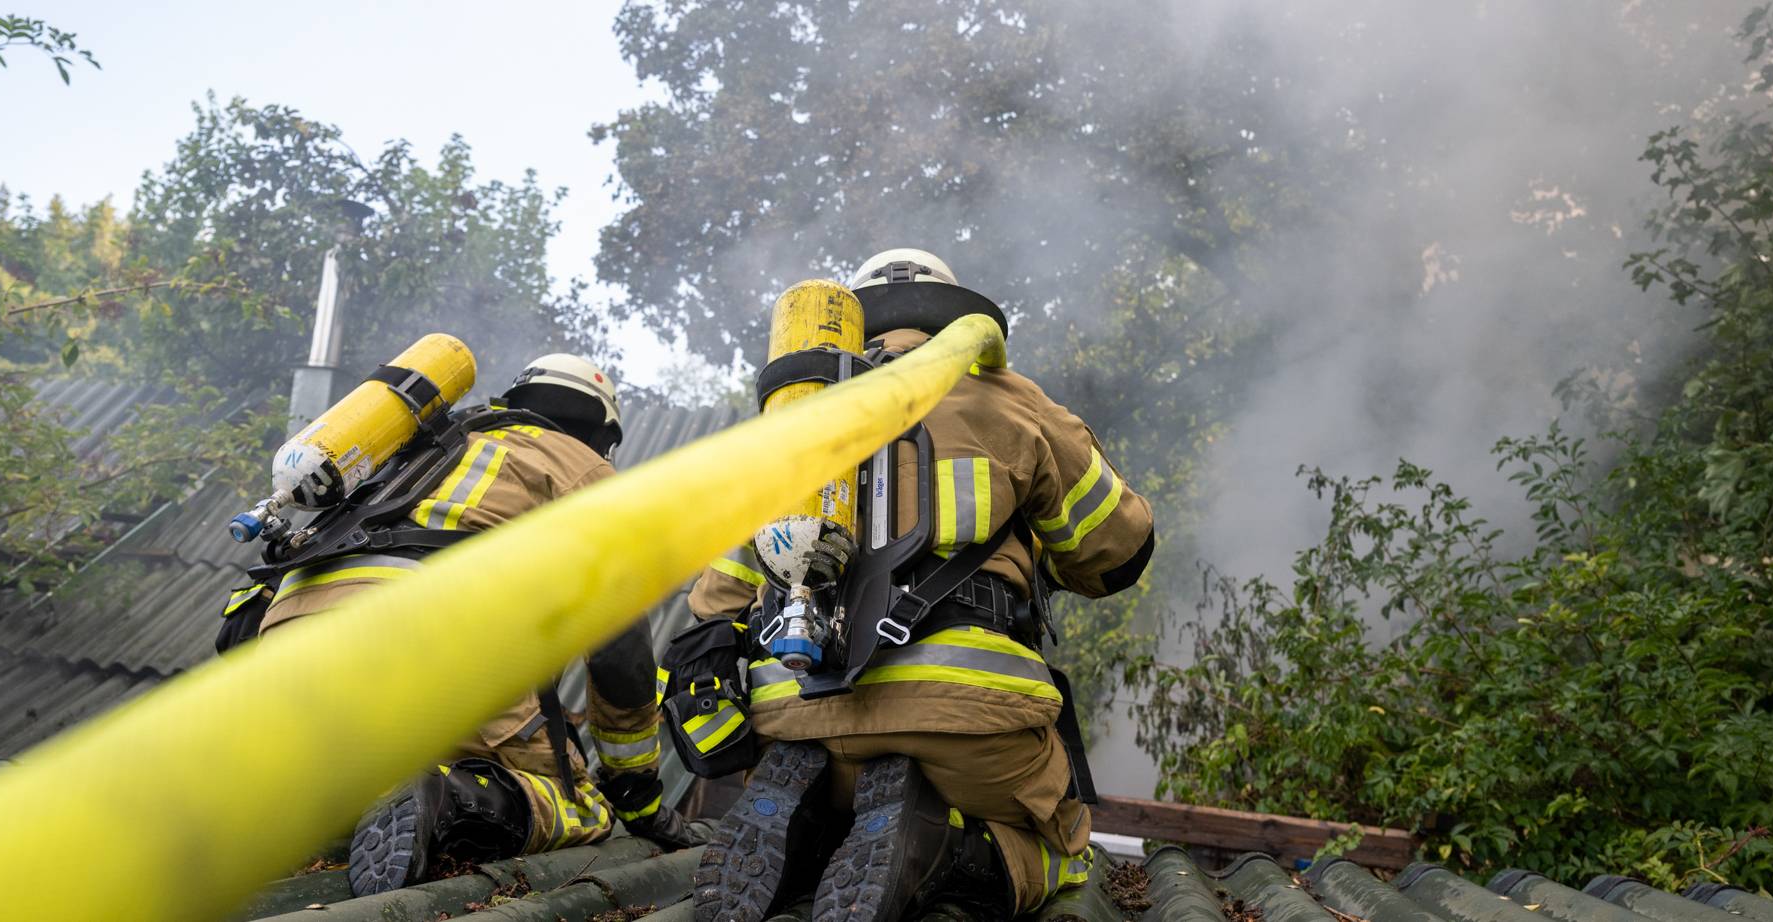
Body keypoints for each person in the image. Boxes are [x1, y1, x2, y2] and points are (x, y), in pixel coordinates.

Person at [687, 250, 1155, 922]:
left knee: (830, 808)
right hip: (965, 722)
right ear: (951, 315)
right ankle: (947, 851)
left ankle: (817, 838)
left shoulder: (791, 422)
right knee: (1064, 841)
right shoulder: (1011, 398)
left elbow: (714, 604)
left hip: (794, 719)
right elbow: (1120, 551)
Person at [255, 354, 706, 897]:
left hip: (284, 659)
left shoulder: (415, 449)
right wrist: (635, 789)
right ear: (599, 431)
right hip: (429, 649)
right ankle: (448, 800)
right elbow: (619, 648)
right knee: (583, 807)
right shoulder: (584, 471)